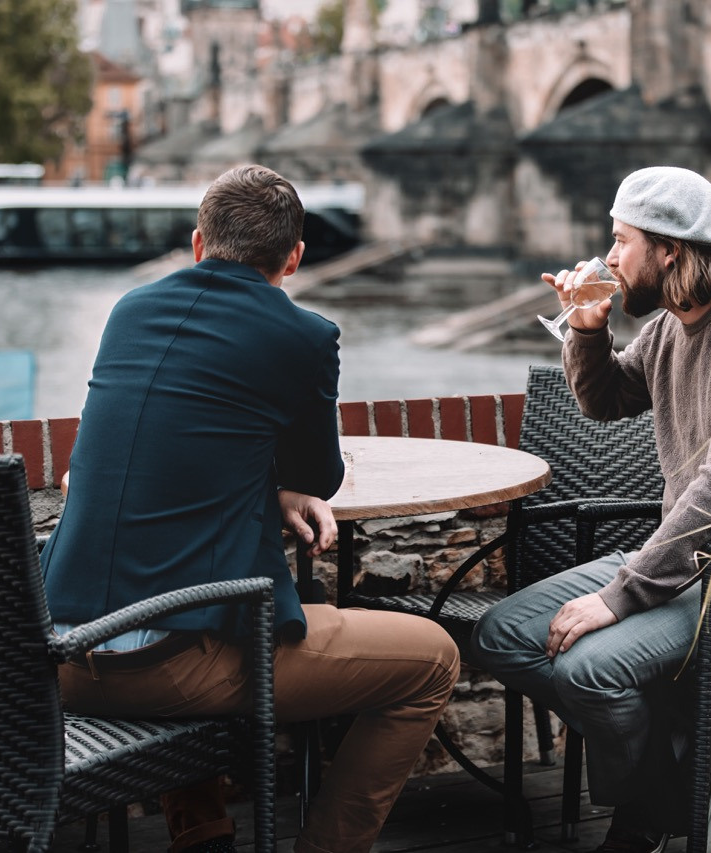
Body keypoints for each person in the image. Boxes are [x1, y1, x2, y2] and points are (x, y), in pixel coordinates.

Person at [41, 165, 460, 853]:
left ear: (198, 243)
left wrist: (267, 486)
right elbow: (318, 475)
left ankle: (202, 829)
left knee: (191, 591)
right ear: (294, 258)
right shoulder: (303, 334)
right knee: (433, 660)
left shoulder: (131, 310)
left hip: (59, 654)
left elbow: (174, 445)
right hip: (165, 668)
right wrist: (288, 485)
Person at [470, 166, 711, 853]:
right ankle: (667, 787)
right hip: (684, 557)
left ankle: (641, 821)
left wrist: (620, 596)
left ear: (669, 252)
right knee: (502, 633)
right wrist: (587, 330)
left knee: (589, 668)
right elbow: (605, 400)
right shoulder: (671, 325)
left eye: (621, 240)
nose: (607, 257)